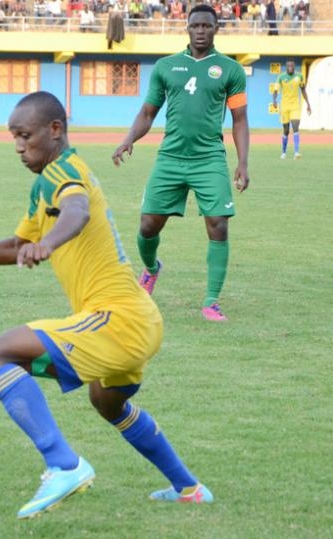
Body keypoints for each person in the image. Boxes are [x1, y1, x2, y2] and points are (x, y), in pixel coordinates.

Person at [0, 91, 213, 520]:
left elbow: (77, 211)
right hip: (138, 320)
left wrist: (48, 244)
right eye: (14, 137)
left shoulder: (65, 171)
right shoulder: (44, 184)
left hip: (117, 319)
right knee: (107, 401)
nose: (18, 146)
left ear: (55, 130)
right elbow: (16, 247)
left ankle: (64, 464)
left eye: (25, 135)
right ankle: (189, 488)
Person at [111, 4, 250, 322]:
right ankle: (151, 269)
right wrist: (129, 139)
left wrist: (243, 162)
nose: (201, 31)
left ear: (216, 29)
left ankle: (211, 302)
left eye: (207, 26)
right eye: (195, 25)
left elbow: (240, 119)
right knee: (148, 225)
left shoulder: (230, 70)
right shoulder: (166, 67)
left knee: (219, 224)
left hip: (209, 159)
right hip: (170, 158)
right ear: (187, 28)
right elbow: (148, 112)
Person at [272, 58, 311, 159]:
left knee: (295, 127)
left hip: (295, 106)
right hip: (284, 106)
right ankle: (283, 152)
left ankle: (296, 152)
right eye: (288, 66)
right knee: (286, 130)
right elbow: (275, 90)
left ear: (294, 66)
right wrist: (274, 100)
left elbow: (303, 90)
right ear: (286, 67)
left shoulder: (299, 76)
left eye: (292, 65)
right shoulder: (281, 77)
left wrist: (308, 103)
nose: (290, 67)